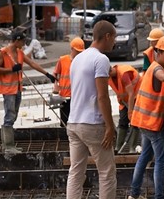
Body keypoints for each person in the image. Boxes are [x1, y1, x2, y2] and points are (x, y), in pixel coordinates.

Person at [66, 20, 117, 199]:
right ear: (107, 36)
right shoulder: (101, 59)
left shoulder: (77, 58)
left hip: (73, 123)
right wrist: (110, 127)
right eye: (114, 38)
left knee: (76, 172)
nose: (115, 42)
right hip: (93, 124)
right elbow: (102, 96)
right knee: (106, 173)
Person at [129, 36, 164, 199]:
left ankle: (134, 194)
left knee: (144, 157)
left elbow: (163, 89)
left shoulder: (155, 68)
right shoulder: (156, 69)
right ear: (158, 52)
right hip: (153, 125)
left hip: (144, 123)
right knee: (160, 162)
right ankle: (159, 196)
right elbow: (163, 78)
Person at [0, 30, 57, 153]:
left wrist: (47, 74)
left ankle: (10, 144)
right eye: (23, 41)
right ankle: (8, 146)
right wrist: (11, 69)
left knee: (14, 115)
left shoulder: (19, 53)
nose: (24, 44)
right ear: (17, 40)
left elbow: (33, 64)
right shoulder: (3, 53)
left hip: (17, 88)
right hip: (8, 90)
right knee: (9, 115)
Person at [52, 37, 85, 126]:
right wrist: (56, 85)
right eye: (77, 51)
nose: (78, 53)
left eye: (80, 52)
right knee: (64, 122)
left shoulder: (83, 61)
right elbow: (55, 74)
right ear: (71, 49)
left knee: (76, 122)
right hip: (64, 96)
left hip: (77, 97)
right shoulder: (63, 60)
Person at [109, 64, 141, 153]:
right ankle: (118, 148)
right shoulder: (109, 77)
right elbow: (119, 89)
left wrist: (130, 112)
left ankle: (132, 148)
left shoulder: (124, 74)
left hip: (136, 97)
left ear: (110, 70)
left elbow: (131, 93)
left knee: (135, 122)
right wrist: (120, 99)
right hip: (124, 101)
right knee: (123, 121)